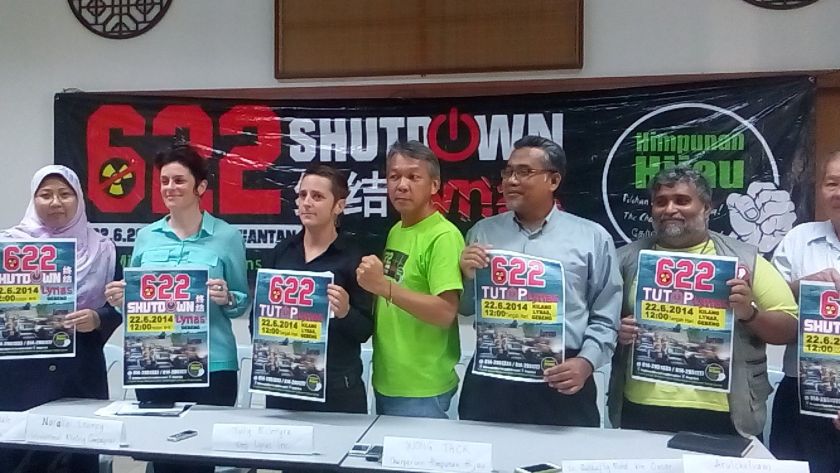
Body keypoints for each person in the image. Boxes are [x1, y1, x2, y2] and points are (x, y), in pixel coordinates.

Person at [608, 166, 797, 437]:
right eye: (661, 202)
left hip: (723, 410)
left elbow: (790, 328)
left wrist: (749, 314)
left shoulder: (746, 259)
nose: (670, 209)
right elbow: (599, 322)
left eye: (682, 201)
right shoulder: (625, 259)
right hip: (641, 405)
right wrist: (618, 330)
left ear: (706, 208)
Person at [457, 135, 622, 426]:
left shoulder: (591, 237)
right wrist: (468, 278)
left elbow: (607, 316)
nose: (511, 180)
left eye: (524, 172)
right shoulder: (482, 232)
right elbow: (467, 309)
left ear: (553, 180)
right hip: (493, 375)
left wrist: (586, 363)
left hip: (560, 376)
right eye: (508, 172)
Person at [105, 144, 249, 473]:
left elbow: (242, 301)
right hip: (156, 364)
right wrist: (121, 301)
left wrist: (227, 297)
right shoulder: (146, 237)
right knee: (159, 458)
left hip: (213, 367)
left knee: (201, 459)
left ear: (201, 187)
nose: (170, 188)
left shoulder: (227, 237)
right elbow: (138, 304)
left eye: (180, 181)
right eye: (165, 181)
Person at [0, 165, 120, 473]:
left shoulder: (103, 249)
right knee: (17, 458)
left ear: (79, 199)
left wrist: (97, 318)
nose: (56, 202)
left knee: (78, 456)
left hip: (79, 373)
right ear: (33, 199)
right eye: (46, 195)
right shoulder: (8, 247)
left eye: (65, 194)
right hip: (19, 377)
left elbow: (118, 307)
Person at [356, 140, 464, 418]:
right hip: (388, 379)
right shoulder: (396, 230)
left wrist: (383, 286)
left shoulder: (444, 236)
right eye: (394, 176)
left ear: (434, 185)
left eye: (414, 176)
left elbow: (445, 312)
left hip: (423, 387)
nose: (401, 185)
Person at [260, 165, 373, 413]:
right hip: (284, 383)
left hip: (338, 390)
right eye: (302, 195)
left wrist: (345, 312)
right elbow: (258, 319)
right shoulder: (281, 253)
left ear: (339, 206)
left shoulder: (354, 257)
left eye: (318, 196)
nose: (307, 203)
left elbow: (366, 329)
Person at [770, 151, 840, 473]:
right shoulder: (799, 239)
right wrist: (801, 286)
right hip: (801, 392)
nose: (839, 192)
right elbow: (766, 310)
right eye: (832, 183)